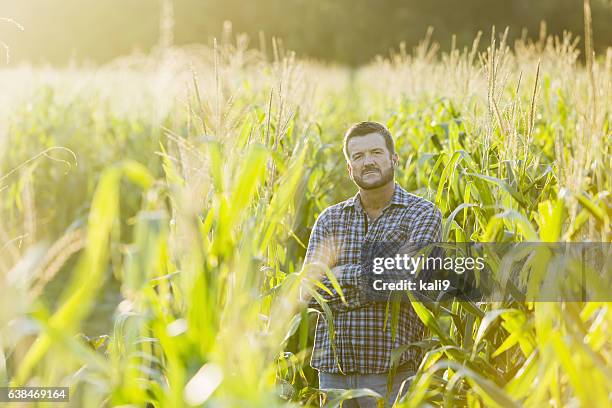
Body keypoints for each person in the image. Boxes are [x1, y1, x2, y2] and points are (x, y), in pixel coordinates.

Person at [302, 121, 442, 407]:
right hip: (333, 376)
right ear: (349, 169)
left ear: (394, 159)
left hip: (392, 375)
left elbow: (412, 279)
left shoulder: (421, 213)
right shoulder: (330, 219)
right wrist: (379, 278)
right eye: (358, 156)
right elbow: (309, 291)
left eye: (376, 153)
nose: (368, 162)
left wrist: (342, 276)